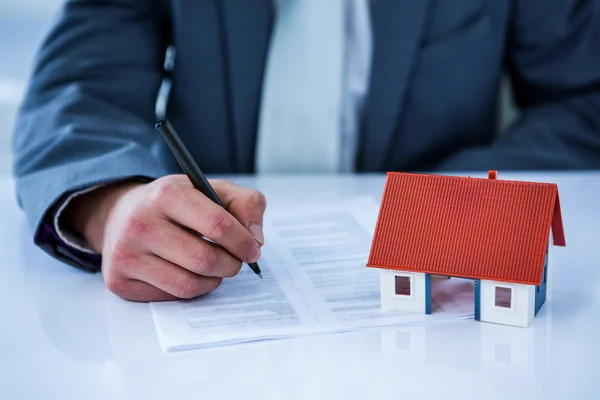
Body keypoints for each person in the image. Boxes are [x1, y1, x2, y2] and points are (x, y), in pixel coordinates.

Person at [11, 0, 600, 302]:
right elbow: (78, 86)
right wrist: (108, 205)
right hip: (209, 288)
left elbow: (586, 98)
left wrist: (456, 208)